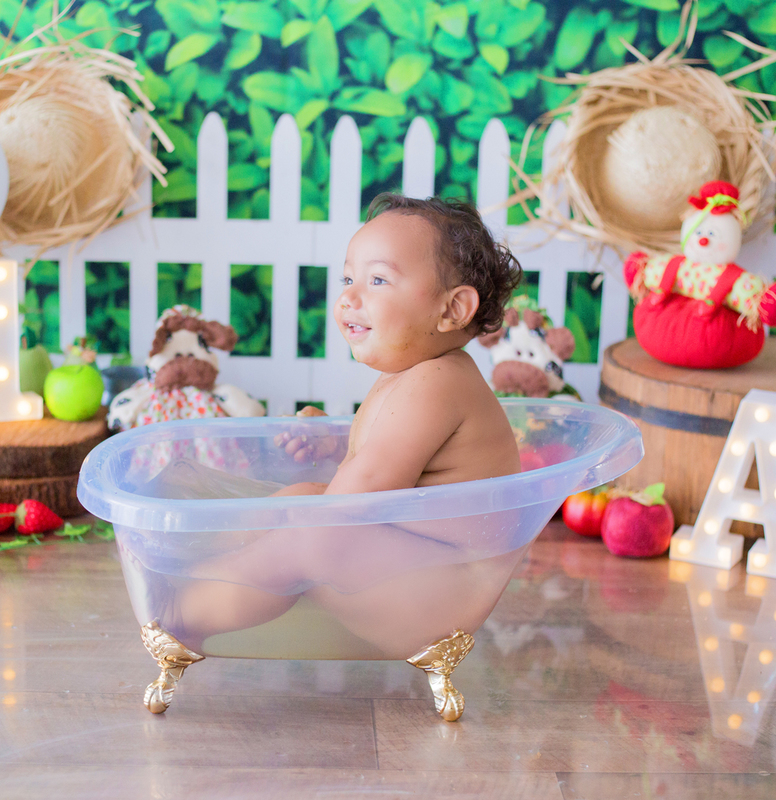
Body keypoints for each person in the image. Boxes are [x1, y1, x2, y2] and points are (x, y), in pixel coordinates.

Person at [160, 194, 527, 654]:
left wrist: (297, 527)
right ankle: (206, 562)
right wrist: (337, 451)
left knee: (309, 534)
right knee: (301, 502)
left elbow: (368, 488)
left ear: (453, 309)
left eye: (377, 280)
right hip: (422, 568)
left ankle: (181, 613)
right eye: (349, 278)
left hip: (444, 595)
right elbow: (394, 465)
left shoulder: (438, 381)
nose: (349, 297)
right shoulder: (417, 374)